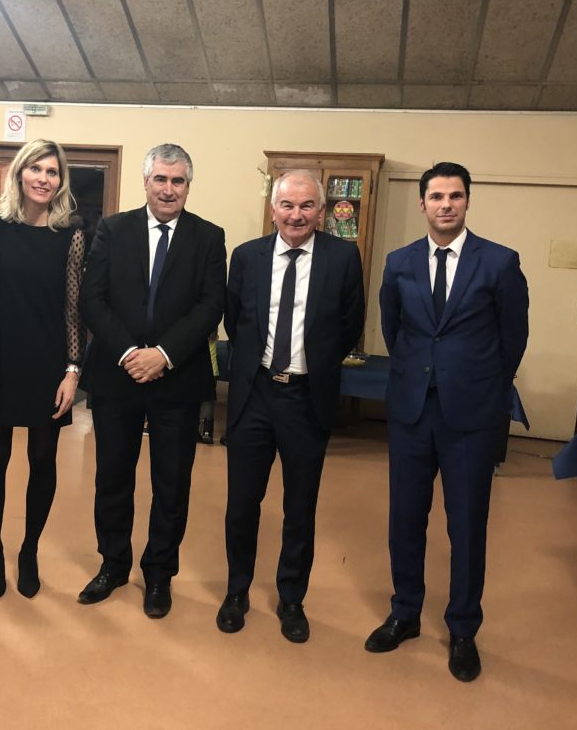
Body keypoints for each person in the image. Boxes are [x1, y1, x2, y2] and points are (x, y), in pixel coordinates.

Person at [365, 162, 529, 681]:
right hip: (412, 410)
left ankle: (462, 629)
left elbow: (513, 337)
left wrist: (481, 384)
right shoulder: (399, 263)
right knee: (405, 518)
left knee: (467, 524)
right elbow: (394, 328)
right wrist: (419, 372)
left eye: (455, 196)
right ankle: (405, 612)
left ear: (467, 201)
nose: (445, 204)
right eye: (436, 196)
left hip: (471, 415)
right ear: (423, 204)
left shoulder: (499, 262)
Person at [78, 143, 226, 618]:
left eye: (177, 181)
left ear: (188, 186)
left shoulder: (208, 237)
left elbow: (210, 305)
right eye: (160, 179)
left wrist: (163, 355)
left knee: (172, 484)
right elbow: (92, 299)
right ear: (145, 182)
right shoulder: (112, 230)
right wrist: (129, 353)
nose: (168, 189)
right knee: (112, 477)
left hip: (176, 380)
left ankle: (159, 573)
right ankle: (113, 564)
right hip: (117, 375)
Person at [217, 170, 364, 643]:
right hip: (254, 395)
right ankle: (236, 591)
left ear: (321, 212)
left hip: (306, 398)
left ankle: (292, 598)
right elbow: (235, 318)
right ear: (273, 209)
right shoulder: (247, 256)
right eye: (287, 205)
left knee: (300, 507)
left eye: (306, 206)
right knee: (242, 504)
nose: (296, 215)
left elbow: (350, 323)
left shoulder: (343, 257)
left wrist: (314, 363)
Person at [0, 139, 85, 600]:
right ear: (19, 173)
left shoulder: (70, 233)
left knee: (42, 460)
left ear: (61, 181)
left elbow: (73, 309)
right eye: (36, 168)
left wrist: (73, 370)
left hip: (48, 363)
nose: (43, 178)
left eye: (52, 171)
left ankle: (29, 550)